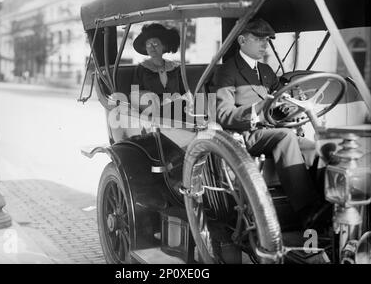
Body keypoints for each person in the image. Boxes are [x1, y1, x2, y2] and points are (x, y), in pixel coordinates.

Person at [210, 18, 325, 227]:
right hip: (246, 136)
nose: (265, 45)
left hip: (274, 131)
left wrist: (292, 106)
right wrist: (257, 111)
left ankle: (326, 204)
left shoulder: (266, 70)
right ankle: (306, 210)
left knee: (316, 149)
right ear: (242, 40)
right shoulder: (226, 71)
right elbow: (223, 114)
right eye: (258, 39)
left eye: (266, 40)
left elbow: (278, 101)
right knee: (286, 136)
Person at [131, 23, 186, 122]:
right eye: (148, 44)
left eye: (155, 43)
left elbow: (184, 92)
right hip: (153, 116)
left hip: (178, 113)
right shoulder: (141, 68)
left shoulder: (175, 68)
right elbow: (135, 94)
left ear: (164, 46)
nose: (152, 47)